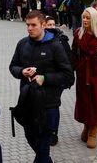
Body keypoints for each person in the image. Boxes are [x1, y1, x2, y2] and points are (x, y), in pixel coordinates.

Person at [10, 11, 74, 163]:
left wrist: (44, 78)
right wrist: (21, 71)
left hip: (48, 103)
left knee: (43, 145)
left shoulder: (55, 46)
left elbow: (67, 75)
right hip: (27, 100)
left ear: (43, 25)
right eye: (27, 25)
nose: (29, 28)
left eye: (33, 25)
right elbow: (13, 66)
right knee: (31, 138)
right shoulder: (22, 44)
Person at [72, 7, 97, 149]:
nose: (85, 20)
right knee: (85, 102)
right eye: (83, 17)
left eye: (88, 18)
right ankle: (86, 127)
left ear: (94, 19)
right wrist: (76, 66)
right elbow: (73, 53)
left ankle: (93, 133)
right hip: (83, 73)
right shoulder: (78, 33)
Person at [43, 15, 72, 146]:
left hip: (57, 79)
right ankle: (44, 129)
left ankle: (53, 132)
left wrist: (68, 79)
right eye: (48, 24)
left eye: (53, 24)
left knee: (53, 105)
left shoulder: (61, 39)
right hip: (42, 79)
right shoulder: (39, 39)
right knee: (43, 105)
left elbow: (69, 60)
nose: (51, 27)